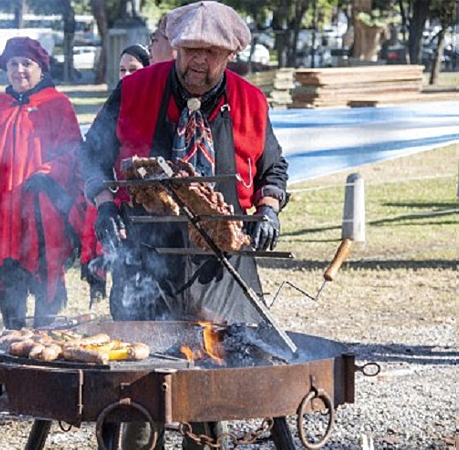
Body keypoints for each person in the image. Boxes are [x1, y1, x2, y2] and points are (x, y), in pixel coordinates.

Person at [81, 2, 288, 447]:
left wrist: (269, 208)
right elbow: (91, 154)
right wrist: (104, 204)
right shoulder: (134, 89)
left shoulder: (251, 101)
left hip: (222, 267)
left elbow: (273, 169)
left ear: (230, 55)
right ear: (175, 47)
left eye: (210, 53)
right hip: (146, 261)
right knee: (138, 384)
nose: (199, 60)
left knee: (210, 387)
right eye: (191, 49)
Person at [0, 37, 85, 330]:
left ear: (41, 68)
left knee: (44, 278)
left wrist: (48, 173)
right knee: (8, 277)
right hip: (1, 213)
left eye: (26, 63)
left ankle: (44, 338)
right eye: (13, 64)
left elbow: (73, 153)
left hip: (42, 214)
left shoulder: (57, 104)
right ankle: (13, 338)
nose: (19, 70)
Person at [80, 44, 153, 307]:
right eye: (122, 70)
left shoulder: (156, 103)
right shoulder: (113, 106)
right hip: (122, 208)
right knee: (124, 288)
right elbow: (93, 154)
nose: (127, 75)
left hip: (157, 210)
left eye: (134, 69)